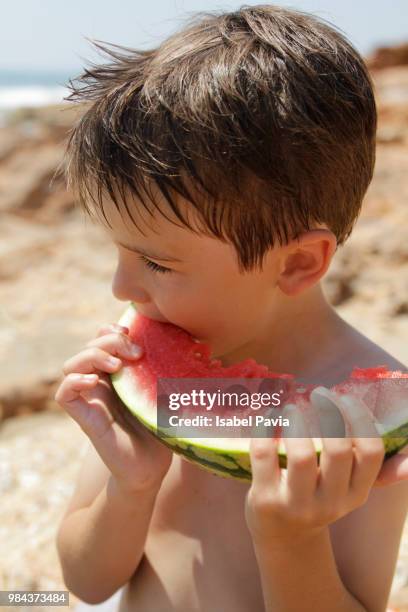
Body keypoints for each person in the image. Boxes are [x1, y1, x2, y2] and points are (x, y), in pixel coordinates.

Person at [54, 5, 408, 611]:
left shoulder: (364, 426)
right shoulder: (137, 357)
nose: (121, 288)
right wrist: (130, 486)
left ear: (297, 264)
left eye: (158, 264)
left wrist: (292, 538)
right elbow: (86, 583)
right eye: (119, 252)